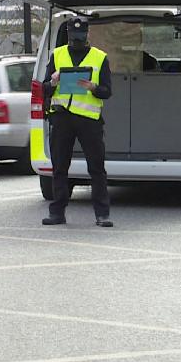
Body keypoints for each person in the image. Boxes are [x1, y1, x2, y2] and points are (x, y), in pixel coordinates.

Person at [41, 16, 114, 228]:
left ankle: (102, 214)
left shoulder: (100, 57)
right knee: (59, 167)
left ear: (87, 34)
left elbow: (107, 92)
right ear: (69, 36)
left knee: (96, 168)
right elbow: (45, 88)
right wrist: (53, 81)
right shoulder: (58, 55)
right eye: (74, 37)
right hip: (62, 117)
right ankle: (57, 213)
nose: (77, 41)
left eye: (80, 37)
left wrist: (93, 87)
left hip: (89, 120)